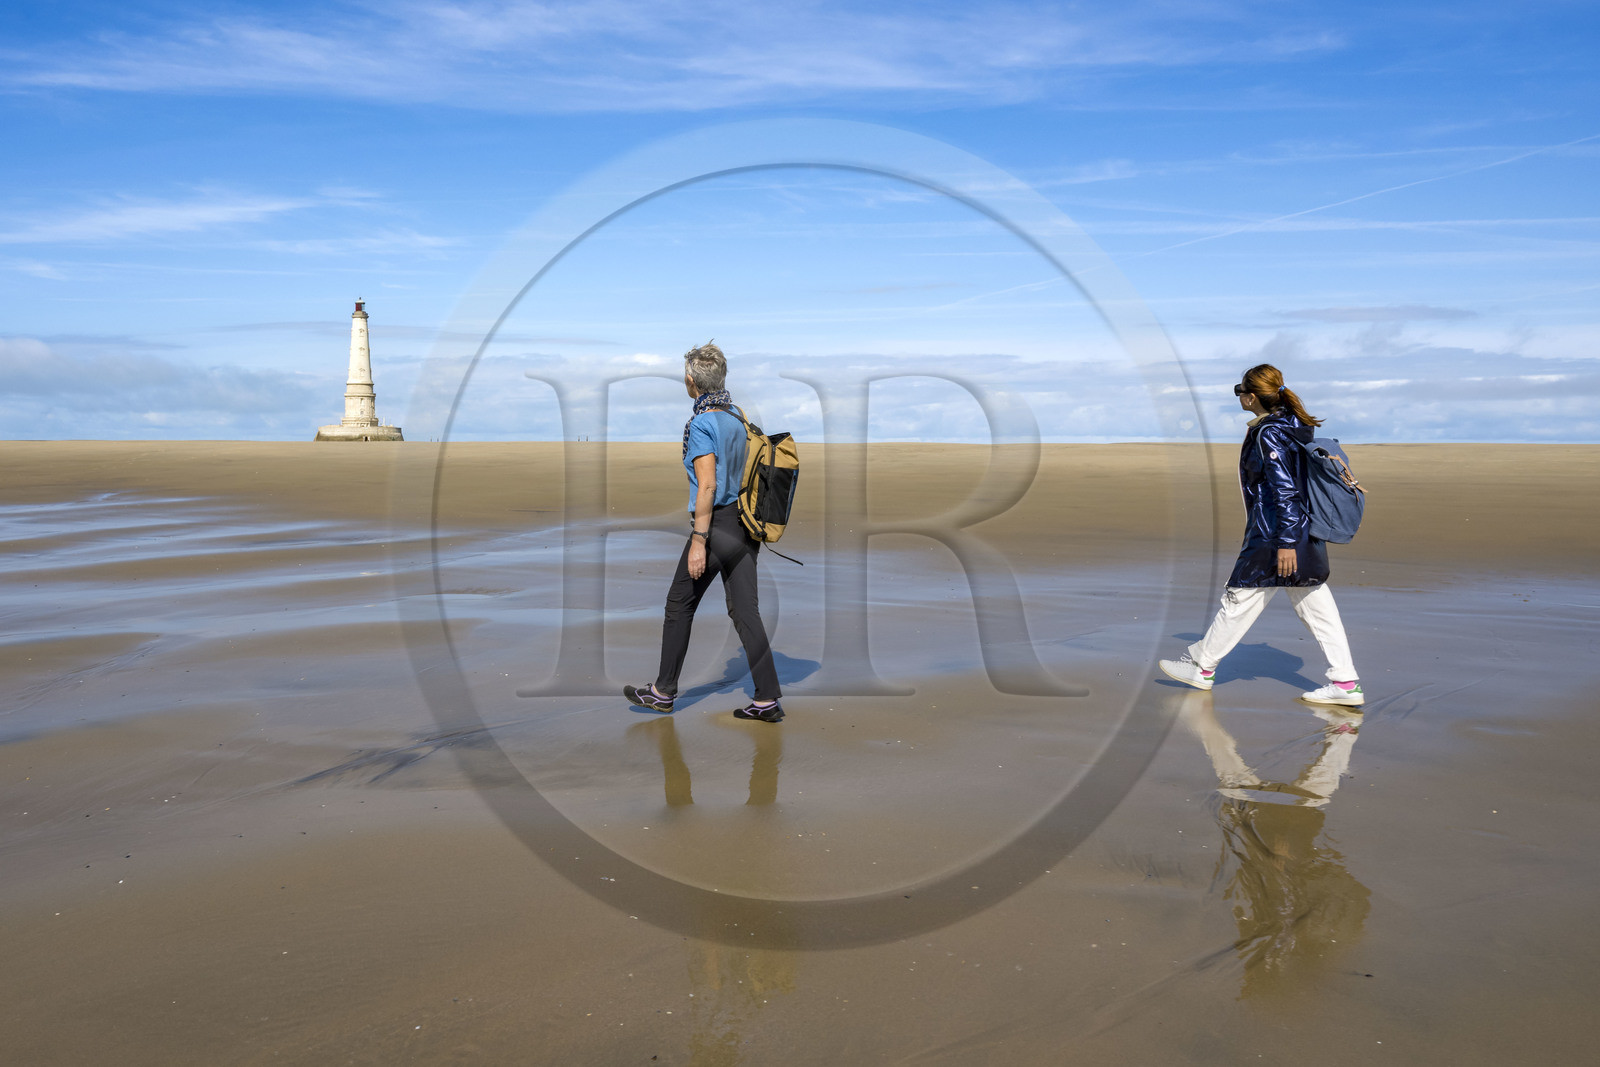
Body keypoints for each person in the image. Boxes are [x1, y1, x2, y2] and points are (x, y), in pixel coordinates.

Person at [1160, 364, 1364, 706]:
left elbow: (1282, 490)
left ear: (1252, 396)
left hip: (1277, 534)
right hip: (1303, 530)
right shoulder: (1295, 425)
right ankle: (1345, 683)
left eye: (1241, 391)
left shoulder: (1269, 432)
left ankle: (1202, 668)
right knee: (1317, 609)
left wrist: (1285, 543)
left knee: (1239, 598)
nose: (1239, 396)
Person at [624, 342, 785, 723]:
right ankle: (767, 699)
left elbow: (708, 485)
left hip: (717, 525)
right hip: (746, 525)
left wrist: (699, 540)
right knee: (746, 611)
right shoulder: (738, 417)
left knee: (679, 605)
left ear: (691, 381)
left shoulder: (701, 424)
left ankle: (663, 692)